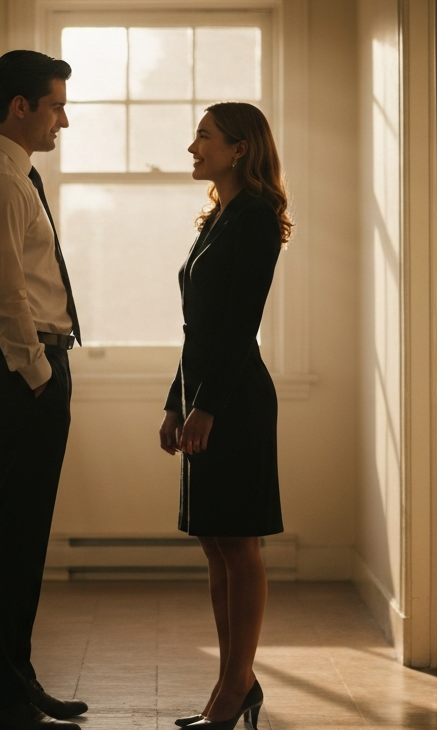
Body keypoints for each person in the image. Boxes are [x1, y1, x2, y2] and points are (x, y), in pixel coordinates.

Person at [0, 50, 89, 730]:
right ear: (20, 107)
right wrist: (38, 376)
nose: (63, 119)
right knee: (11, 540)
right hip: (18, 372)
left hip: (22, 369)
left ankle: (13, 683)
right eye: (56, 105)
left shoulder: (11, 175)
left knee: (21, 539)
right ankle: (0, 698)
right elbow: (4, 294)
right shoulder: (0, 182)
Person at [158, 102, 292, 730]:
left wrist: (206, 406)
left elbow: (239, 324)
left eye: (204, 136)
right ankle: (234, 680)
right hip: (207, 394)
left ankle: (236, 685)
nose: (193, 148)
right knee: (215, 543)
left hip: (234, 400)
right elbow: (199, 329)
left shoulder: (256, 217)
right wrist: (175, 402)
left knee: (238, 543)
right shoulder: (218, 217)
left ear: (240, 149)